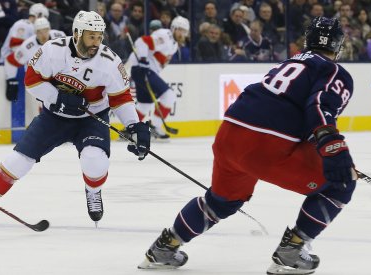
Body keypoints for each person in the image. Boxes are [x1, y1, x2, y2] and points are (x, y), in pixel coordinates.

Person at [138, 17, 356, 275]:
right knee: (342, 182)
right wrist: (332, 147)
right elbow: (319, 106)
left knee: (219, 202)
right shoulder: (334, 71)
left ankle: (165, 247)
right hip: (268, 143)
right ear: (337, 45)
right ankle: (293, 250)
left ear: (308, 39)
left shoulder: (288, 62)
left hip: (229, 134)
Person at [0, 10, 151, 228]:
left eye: (99, 36)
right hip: (53, 117)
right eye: (91, 36)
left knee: (94, 162)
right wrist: (59, 98)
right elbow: (31, 80)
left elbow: (121, 97)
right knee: (17, 160)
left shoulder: (109, 61)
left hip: (92, 118)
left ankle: (93, 191)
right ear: (77, 33)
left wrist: (134, 126)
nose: (96, 42)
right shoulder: (53, 50)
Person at [127, 19, 178, 141]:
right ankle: (155, 127)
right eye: (153, 29)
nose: (155, 32)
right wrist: (143, 60)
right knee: (169, 95)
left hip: (144, 71)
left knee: (145, 104)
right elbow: (141, 42)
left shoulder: (173, 45)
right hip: (143, 70)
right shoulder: (165, 36)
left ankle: (129, 129)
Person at [1, 3, 48, 101]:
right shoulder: (23, 25)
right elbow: (16, 48)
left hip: (20, 65)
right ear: (39, 15)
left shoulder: (31, 26)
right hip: (11, 65)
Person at [4, 17, 66, 88]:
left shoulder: (60, 37)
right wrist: (10, 80)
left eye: (45, 31)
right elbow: (11, 61)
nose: (43, 35)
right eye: (40, 32)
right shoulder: (27, 46)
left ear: (49, 29)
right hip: (37, 84)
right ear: (35, 33)